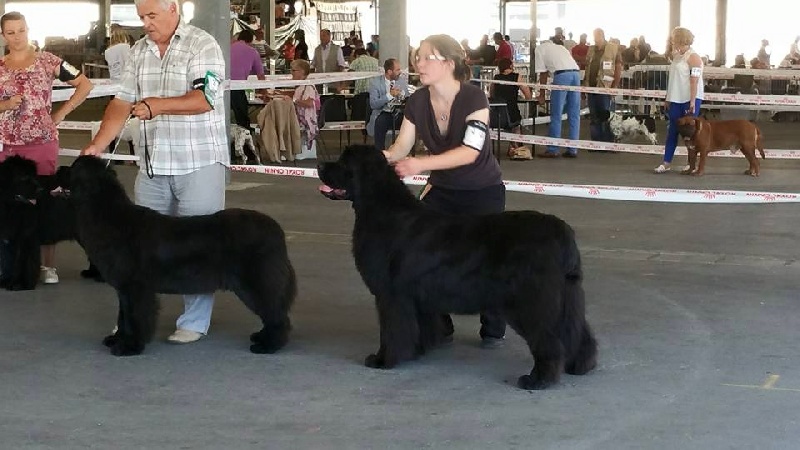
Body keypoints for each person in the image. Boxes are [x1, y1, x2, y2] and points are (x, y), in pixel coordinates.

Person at [81, 0, 227, 345]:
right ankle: (132, 318)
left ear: (173, 8)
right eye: (141, 17)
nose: (146, 23)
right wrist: (99, 144)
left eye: (151, 16)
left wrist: (157, 105)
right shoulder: (137, 51)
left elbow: (205, 98)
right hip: (151, 165)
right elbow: (121, 101)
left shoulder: (202, 44)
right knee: (136, 251)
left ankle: (194, 321)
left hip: (198, 162)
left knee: (199, 245)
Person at [383, 34, 507, 349]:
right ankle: (439, 323)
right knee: (424, 257)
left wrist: (421, 164)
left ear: (448, 64)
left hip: (482, 191)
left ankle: (493, 324)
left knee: (487, 260)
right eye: (416, 57)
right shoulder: (417, 101)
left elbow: (470, 152)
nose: (418, 64)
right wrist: (365, 162)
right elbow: (399, 148)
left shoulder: (474, 99)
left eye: (426, 57)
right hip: (442, 191)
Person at [0, 11, 92, 285]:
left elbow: (84, 85)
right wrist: (4, 106)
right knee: (10, 206)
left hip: (42, 144)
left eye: (21, 30)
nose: (17, 37)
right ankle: (11, 263)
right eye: (11, 32)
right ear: (3, 35)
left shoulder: (49, 61)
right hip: (8, 147)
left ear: (29, 29)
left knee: (46, 203)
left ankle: (47, 266)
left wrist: (62, 113)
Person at [654, 27, 704, 174]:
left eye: (674, 39)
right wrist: (668, 98)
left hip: (689, 98)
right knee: (672, 131)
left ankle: (691, 163)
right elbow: (672, 80)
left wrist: (693, 101)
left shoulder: (694, 57)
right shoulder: (677, 57)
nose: (672, 42)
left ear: (680, 40)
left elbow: (694, 81)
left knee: (690, 133)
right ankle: (666, 162)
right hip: (676, 98)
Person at [534, 39, 581, 157]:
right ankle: (572, 149)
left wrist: (542, 94)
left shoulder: (539, 49)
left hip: (562, 76)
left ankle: (553, 148)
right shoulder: (560, 47)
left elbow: (543, 73)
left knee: (556, 113)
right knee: (574, 114)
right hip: (576, 74)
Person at [584, 28, 622, 147]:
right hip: (591, 87)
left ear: (603, 36)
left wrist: (615, 86)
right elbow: (587, 68)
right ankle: (596, 142)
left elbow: (618, 67)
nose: (596, 38)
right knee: (594, 116)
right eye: (594, 36)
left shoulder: (613, 48)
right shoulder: (591, 49)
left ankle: (609, 142)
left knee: (606, 116)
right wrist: (584, 86)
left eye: (598, 36)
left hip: (605, 87)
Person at [489, 58, 532, 156]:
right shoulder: (516, 77)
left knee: (509, 121)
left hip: (497, 115)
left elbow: (492, 95)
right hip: (511, 112)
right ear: (511, 66)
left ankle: (513, 146)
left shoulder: (495, 78)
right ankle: (515, 146)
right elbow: (527, 93)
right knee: (516, 123)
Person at [367, 58, 409, 151]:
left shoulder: (401, 81)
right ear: (389, 71)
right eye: (397, 70)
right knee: (380, 122)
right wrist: (389, 95)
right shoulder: (375, 83)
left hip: (399, 113)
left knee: (412, 120)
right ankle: (380, 153)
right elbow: (373, 104)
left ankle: (406, 151)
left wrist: (403, 97)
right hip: (384, 113)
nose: (400, 72)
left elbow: (407, 99)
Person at [230, 28, 265, 133]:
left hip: (222, 86)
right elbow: (261, 75)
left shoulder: (228, 47)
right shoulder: (253, 52)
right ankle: (246, 141)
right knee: (243, 120)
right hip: (238, 87)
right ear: (250, 40)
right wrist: (265, 92)